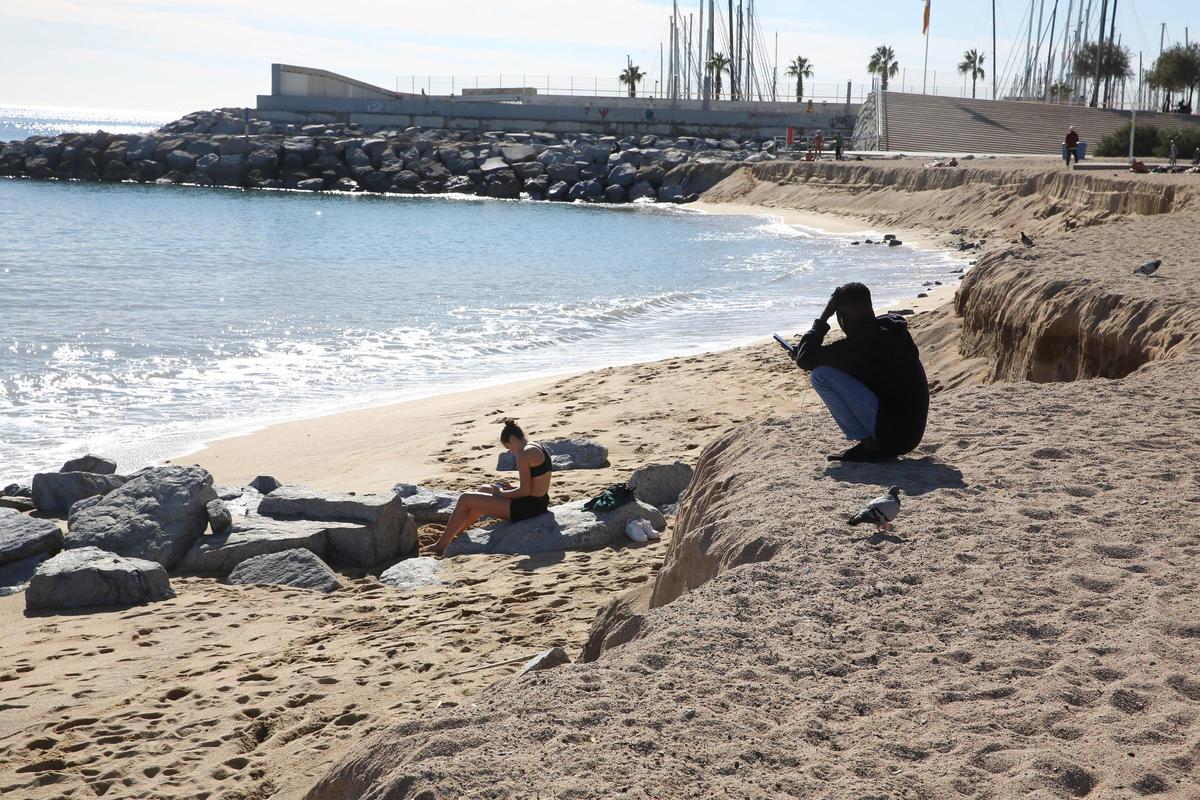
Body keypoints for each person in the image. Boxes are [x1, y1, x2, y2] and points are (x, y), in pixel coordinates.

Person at [792, 283, 929, 462]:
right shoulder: (889, 331)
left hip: (893, 436)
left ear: (847, 313)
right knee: (832, 370)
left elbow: (806, 360)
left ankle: (869, 446)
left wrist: (825, 316)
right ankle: (871, 444)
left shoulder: (864, 342)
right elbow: (849, 363)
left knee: (821, 375)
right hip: (908, 434)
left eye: (841, 315)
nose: (841, 322)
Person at [432, 418, 553, 555]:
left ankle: (441, 545)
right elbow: (534, 485)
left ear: (513, 440)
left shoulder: (523, 453)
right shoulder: (537, 447)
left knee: (465, 498)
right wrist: (508, 489)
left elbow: (525, 491)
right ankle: (456, 532)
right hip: (540, 502)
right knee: (484, 489)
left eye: (508, 448)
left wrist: (501, 493)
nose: (511, 452)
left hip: (528, 508)